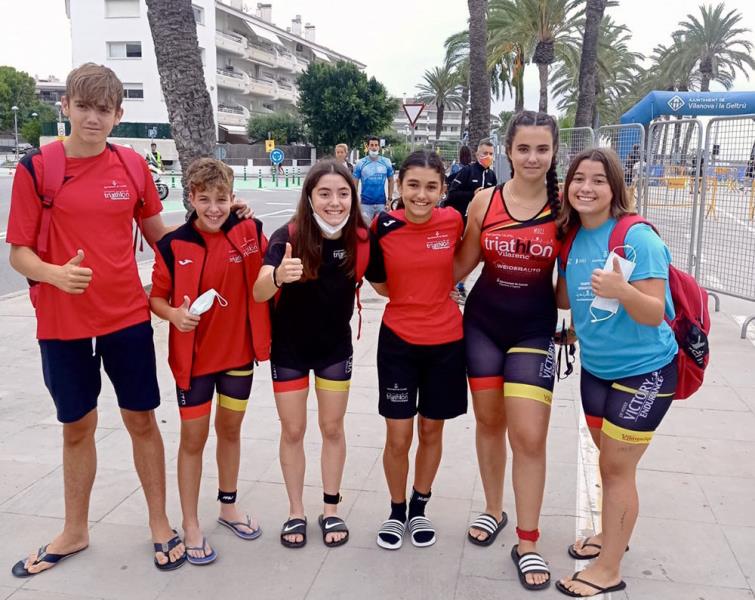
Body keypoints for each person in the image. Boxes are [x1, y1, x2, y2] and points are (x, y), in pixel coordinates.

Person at [7, 63, 189, 575]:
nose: (92, 117)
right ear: (65, 106)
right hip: (62, 322)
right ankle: (75, 529)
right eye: (82, 106)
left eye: (103, 109)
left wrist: (215, 220)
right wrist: (53, 275)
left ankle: (159, 523)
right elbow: (18, 253)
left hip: (126, 317)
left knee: (141, 420)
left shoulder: (131, 166)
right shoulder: (36, 168)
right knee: (76, 426)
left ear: (118, 116)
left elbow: (160, 237)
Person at [554, 148, 678, 598]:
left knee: (617, 468)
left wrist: (622, 289)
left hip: (646, 371)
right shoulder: (571, 238)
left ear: (615, 188)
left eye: (598, 180)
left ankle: (608, 569)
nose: (586, 188)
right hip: (596, 371)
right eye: (578, 179)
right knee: (609, 467)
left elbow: (653, 314)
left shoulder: (635, 237)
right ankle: (611, 536)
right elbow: (565, 303)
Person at [454, 111, 562, 591]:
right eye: (524, 149)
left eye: (542, 149)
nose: (533, 158)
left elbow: (572, 282)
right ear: (507, 150)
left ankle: (529, 540)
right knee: (489, 422)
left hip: (534, 332)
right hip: (481, 326)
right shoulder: (484, 202)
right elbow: (460, 264)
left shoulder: (565, 211)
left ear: (554, 152)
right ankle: (493, 509)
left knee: (529, 437)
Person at [149, 158, 270, 565]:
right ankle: (190, 523)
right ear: (191, 198)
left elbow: (269, 277)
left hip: (238, 357)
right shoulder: (173, 244)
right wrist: (174, 316)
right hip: (195, 363)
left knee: (231, 431)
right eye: (205, 199)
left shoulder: (249, 231)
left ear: (233, 197)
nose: (215, 208)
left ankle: (228, 505)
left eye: (222, 198)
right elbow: (156, 298)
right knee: (193, 441)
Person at [253, 160, 369, 549]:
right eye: (324, 193)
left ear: (352, 196)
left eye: (342, 193)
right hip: (289, 350)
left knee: (333, 429)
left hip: (335, 348)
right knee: (293, 430)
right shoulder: (286, 236)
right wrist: (277, 276)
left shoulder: (360, 238)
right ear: (309, 196)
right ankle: (295, 512)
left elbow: (392, 276)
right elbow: (257, 292)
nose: (334, 202)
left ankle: (331, 509)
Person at [366, 151, 467, 550]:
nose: (421, 195)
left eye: (430, 187)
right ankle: (396, 510)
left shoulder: (454, 221)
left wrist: (438, 295)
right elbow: (378, 283)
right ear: (399, 186)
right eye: (413, 186)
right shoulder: (383, 225)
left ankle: (419, 506)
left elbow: (463, 261)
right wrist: (412, 299)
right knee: (398, 435)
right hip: (398, 343)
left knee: (431, 429)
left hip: (446, 343)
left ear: (443, 189)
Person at [446, 139, 497, 303]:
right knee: (457, 254)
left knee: (474, 256)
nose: (487, 157)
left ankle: (460, 285)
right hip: (460, 218)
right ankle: (450, 286)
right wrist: (472, 194)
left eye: (490, 154)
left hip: (479, 222)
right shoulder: (468, 171)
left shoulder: (491, 175)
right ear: (477, 154)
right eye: (484, 154)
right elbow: (452, 194)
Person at [353, 136, 394, 222]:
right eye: (371, 145)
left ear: (379, 147)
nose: (374, 147)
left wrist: (389, 199)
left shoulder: (386, 162)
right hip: (365, 204)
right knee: (366, 231)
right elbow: (354, 183)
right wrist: (355, 201)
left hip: (382, 203)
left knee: (381, 232)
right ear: (367, 147)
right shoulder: (360, 163)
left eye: (376, 145)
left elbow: (391, 180)